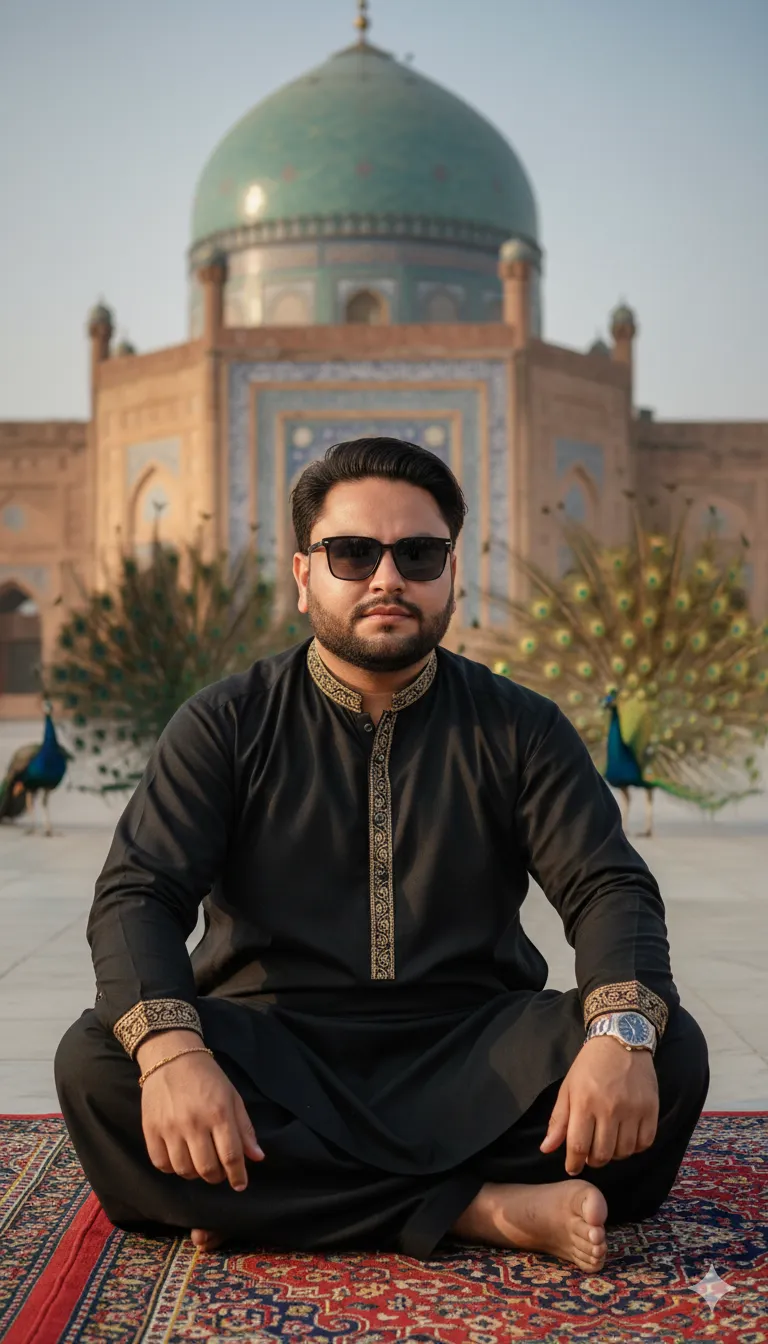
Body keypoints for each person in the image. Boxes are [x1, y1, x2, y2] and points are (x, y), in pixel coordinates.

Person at [55, 437, 709, 1272]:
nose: (387, 578)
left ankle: (276, 1201)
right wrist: (175, 1057)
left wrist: (619, 1037)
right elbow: (138, 894)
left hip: (473, 1051)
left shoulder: (520, 727)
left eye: (418, 555)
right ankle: (482, 1208)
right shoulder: (226, 724)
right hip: (275, 1049)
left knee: (666, 1051)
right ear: (304, 576)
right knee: (100, 1066)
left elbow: (608, 884)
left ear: (452, 574)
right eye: (353, 554)